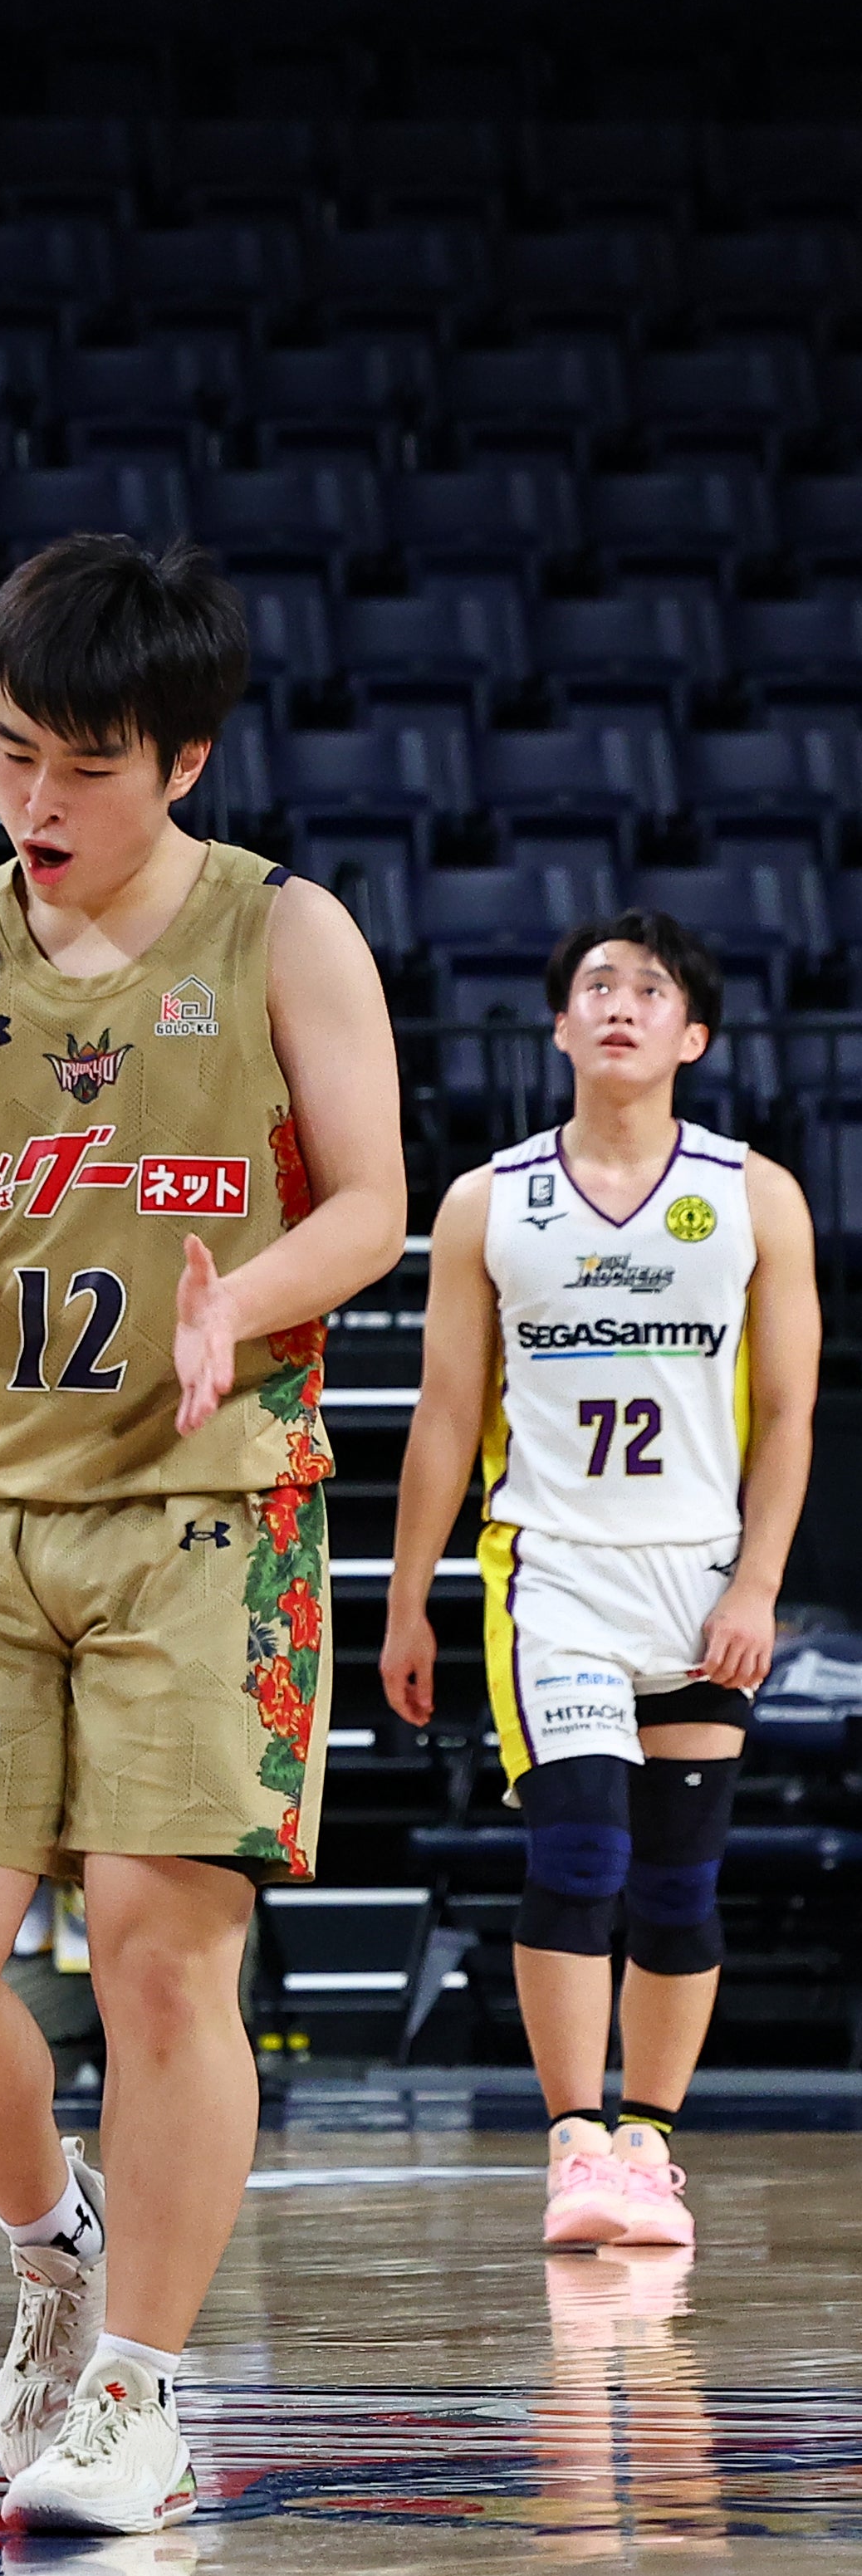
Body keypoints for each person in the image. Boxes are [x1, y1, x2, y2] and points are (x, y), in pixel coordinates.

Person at [0, 534, 406, 2534]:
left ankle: (136, 2395)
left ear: (179, 760)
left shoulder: (282, 932)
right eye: (9, 753)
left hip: (201, 1510)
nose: (35, 800)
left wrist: (243, 1301)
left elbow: (369, 1202)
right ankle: (52, 2232)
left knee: (164, 1959)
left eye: (82, 766)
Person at [382, 911, 815, 2254]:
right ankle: (573, 2144)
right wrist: (404, 1599)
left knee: (678, 1884)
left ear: (694, 1034)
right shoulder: (486, 1200)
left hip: (697, 1577)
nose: (619, 1004)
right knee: (578, 1853)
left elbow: (788, 1414)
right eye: (594, 986)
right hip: (552, 1573)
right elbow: (443, 1414)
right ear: (559, 1025)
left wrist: (755, 1586)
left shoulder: (752, 1193)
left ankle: (646, 2147)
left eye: (649, 989)